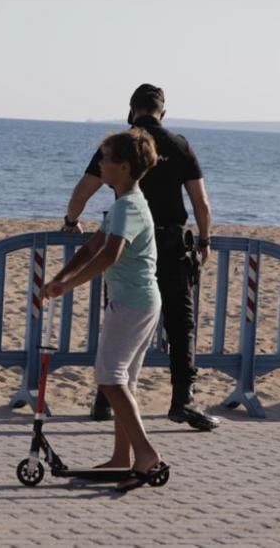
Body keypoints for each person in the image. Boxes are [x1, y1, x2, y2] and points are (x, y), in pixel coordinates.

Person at [62, 83, 219, 430]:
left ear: (131, 110)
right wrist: (205, 241)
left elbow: (82, 191)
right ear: (162, 112)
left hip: (126, 243)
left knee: (118, 313)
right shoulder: (179, 145)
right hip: (171, 243)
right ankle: (183, 399)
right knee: (181, 323)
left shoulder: (118, 145)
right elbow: (201, 203)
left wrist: (71, 222)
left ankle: (104, 401)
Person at [44, 129, 169, 491]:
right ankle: (121, 458)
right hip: (137, 300)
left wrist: (68, 286)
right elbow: (91, 246)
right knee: (122, 381)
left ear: (124, 167)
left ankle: (145, 454)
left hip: (132, 302)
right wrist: (58, 277)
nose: (99, 163)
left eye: (105, 158)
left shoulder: (130, 207)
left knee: (110, 379)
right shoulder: (121, 205)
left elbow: (110, 254)